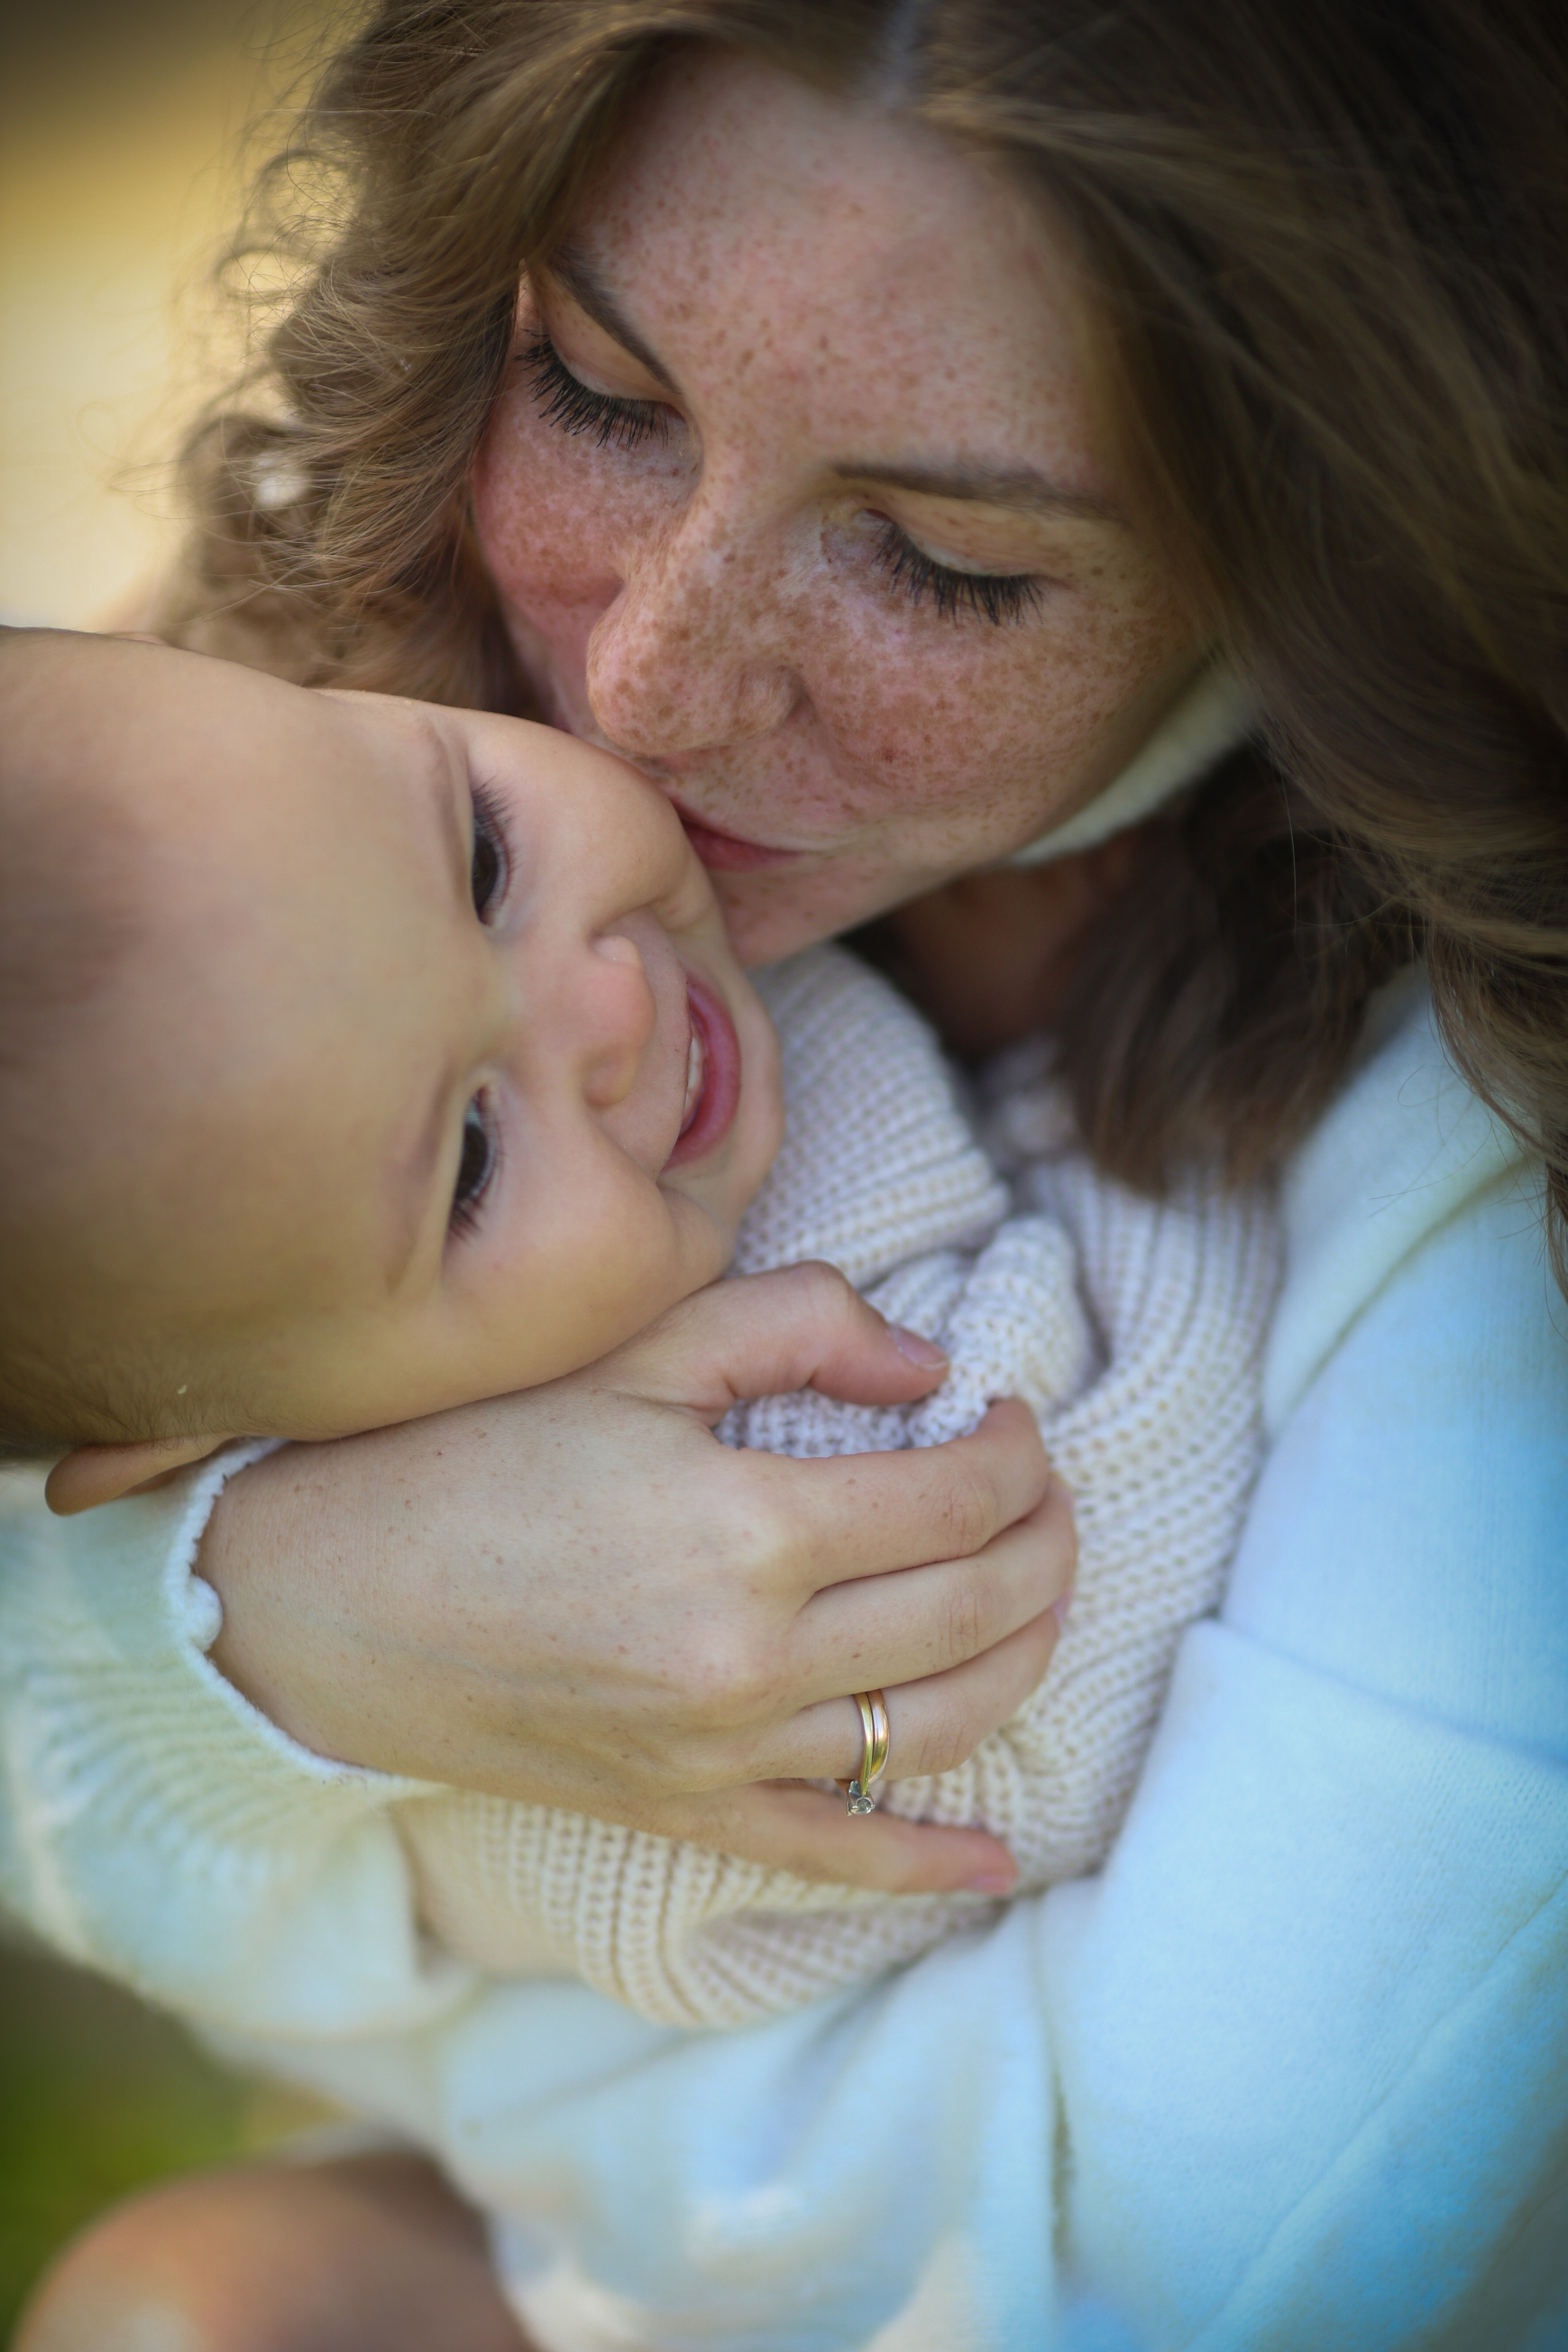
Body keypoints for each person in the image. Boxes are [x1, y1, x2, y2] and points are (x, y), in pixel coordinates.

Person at [7, 2, 1566, 2345]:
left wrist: (347, 1927)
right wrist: (265, 1624)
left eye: (944, 563)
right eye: (604, 397)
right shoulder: (284, 768)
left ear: (1319, 548)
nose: (639, 686)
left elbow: (1172, 2262)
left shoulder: (1477, 1104)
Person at [1, 622, 1262, 2038]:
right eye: (471, 1154)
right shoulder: (709, 1518)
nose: (607, 1000)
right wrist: (1076, 1059)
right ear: (192, 1440)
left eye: (479, 860)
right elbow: (1088, 1621)